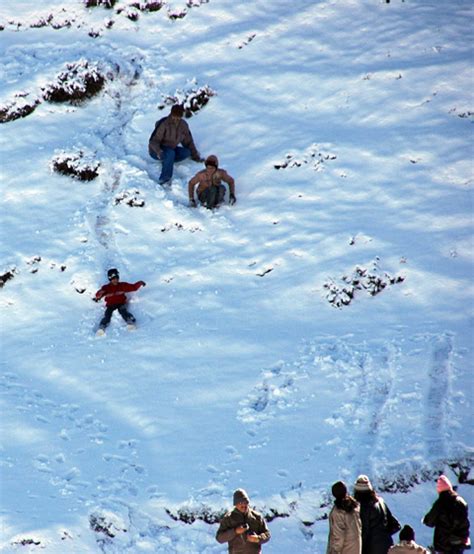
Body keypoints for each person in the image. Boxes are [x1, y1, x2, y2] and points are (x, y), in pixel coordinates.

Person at [148, 104, 202, 185]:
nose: (176, 119)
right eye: (174, 116)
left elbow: (188, 141)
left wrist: (195, 156)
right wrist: (159, 151)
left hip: (171, 149)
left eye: (178, 117)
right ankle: (165, 178)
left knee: (186, 152)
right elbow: (153, 141)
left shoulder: (183, 125)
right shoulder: (164, 124)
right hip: (156, 151)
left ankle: (167, 161)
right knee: (170, 153)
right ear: (171, 114)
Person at [353, 474, 401, 554]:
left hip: (371, 549)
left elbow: (364, 533)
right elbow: (395, 525)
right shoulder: (380, 501)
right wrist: (382, 536)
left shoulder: (363, 507)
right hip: (387, 547)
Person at [423, 475, 470, 554]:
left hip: (445, 542)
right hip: (461, 540)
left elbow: (429, 522)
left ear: (439, 490)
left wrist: (425, 520)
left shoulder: (440, 503)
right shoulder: (462, 501)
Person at [216, 488, 271, 553]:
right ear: (235, 504)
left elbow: (267, 534)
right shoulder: (228, 519)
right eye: (240, 502)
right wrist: (235, 531)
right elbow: (219, 538)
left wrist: (257, 538)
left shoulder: (257, 517)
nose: (244, 505)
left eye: (246, 502)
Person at [94, 268, 146, 334]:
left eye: (116, 278)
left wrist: (140, 283)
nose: (115, 280)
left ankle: (130, 322)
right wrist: (100, 292)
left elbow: (133, 287)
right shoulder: (106, 288)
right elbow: (98, 296)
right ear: (110, 280)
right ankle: (101, 327)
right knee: (107, 315)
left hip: (121, 303)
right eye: (113, 279)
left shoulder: (122, 285)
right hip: (110, 305)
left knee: (123, 311)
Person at [327, 480, 362, 554]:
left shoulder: (338, 512)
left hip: (344, 550)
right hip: (356, 548)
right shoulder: (355, 507)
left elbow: (338, 537)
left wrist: (334, 552)